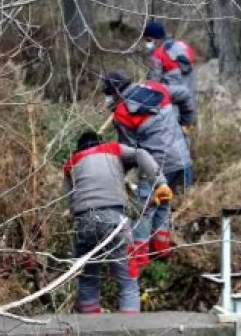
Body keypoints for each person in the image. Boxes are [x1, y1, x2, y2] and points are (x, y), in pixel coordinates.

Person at [62, 130, 171, 313]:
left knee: (88, 279)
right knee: (127, 280)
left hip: (83, 223)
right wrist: (160, 183)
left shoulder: (71, 164)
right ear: (100, 142)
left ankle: (90, 332)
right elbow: (141, 154)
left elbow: (69, 202)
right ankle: (130, 331)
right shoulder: (112, 149)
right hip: (115, 220)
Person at [101, 70, 194, 265]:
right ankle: (162, 251)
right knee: (165, 200)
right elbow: (185, 93)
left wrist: (120, 174)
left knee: (144, 209)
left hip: (155, 166)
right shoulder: (157, 88)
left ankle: (139, 259)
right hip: (182, 159)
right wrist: (187, 122)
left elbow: (132, 152)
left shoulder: (122, 113)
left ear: (115, 92)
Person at [143, 19, 198, 190]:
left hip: (170, 105)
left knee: (170, 141)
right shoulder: (183, 47)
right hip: (189, 104)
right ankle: (186, 186)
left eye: (147, 39)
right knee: (185, 141)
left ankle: (168, 183)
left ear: (154, 38)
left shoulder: (157, 55)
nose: (146, 43)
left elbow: (154, 84)